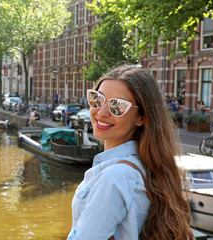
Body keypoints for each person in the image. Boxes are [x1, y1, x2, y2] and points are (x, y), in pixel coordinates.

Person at [67, 65, 192, 240]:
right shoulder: (145, 165)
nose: (101, 112)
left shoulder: (115, 177)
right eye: (97, 99)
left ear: (142, 117)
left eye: (117, 106)